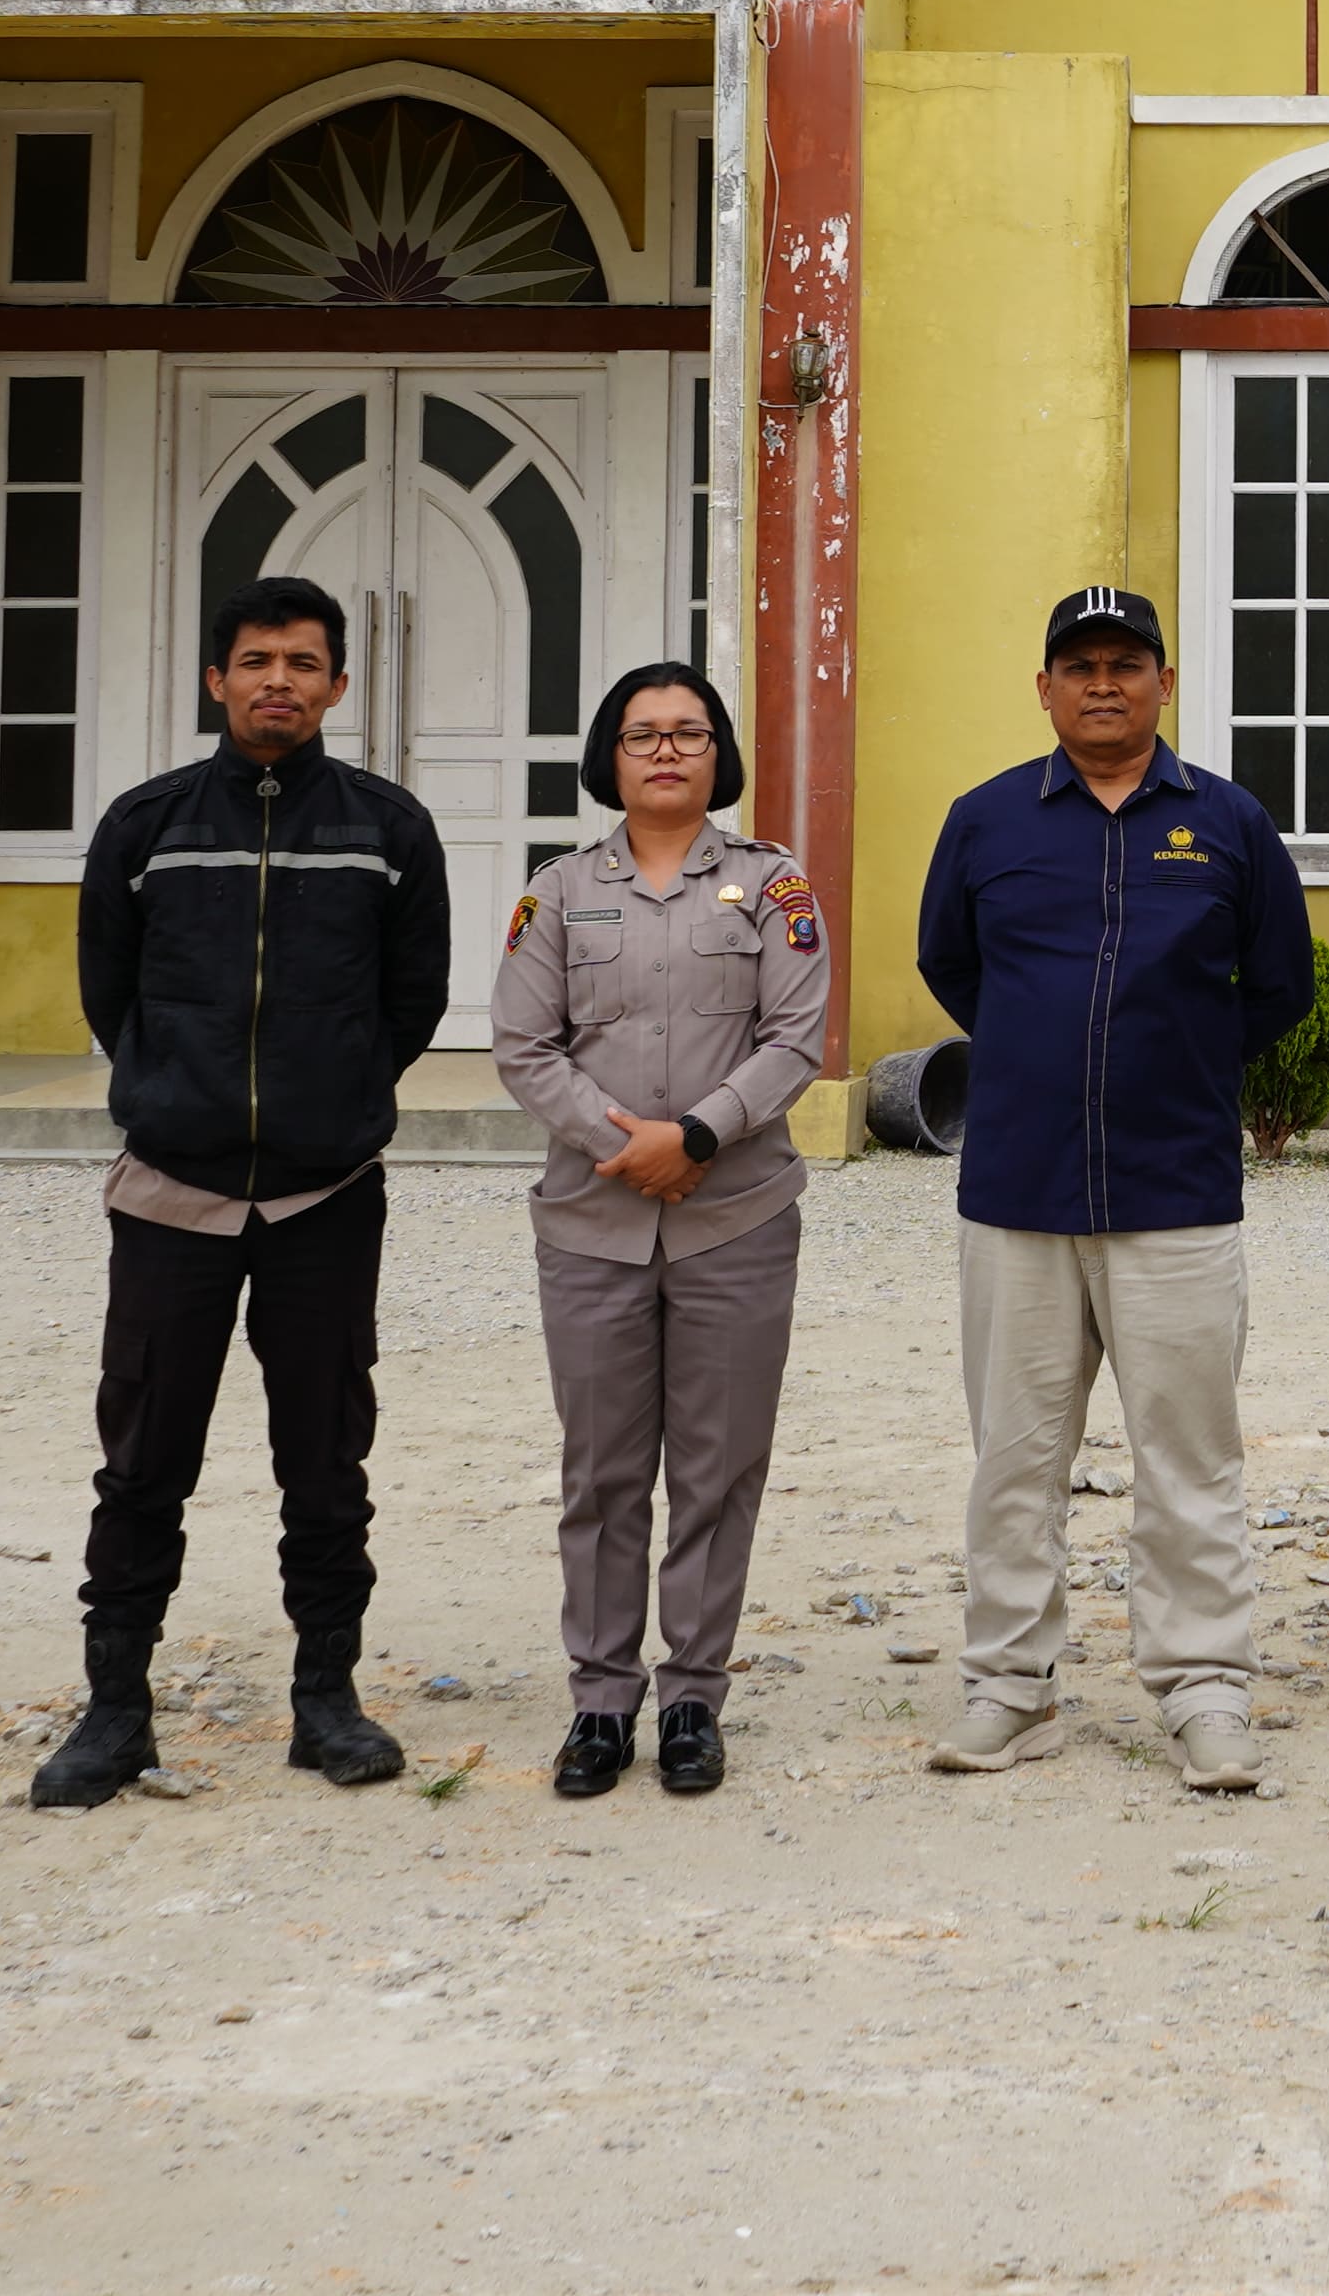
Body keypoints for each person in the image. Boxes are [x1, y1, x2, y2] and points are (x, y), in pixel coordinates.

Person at [32, 574, 457, 1812]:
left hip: (327, 1199)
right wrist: (178, 1093)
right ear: (215, 679)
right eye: (258, 659)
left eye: (306, 661)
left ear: (337, 685)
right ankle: (115, 1711)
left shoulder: (389, 829)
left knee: (325, 1459)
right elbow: (111, 995)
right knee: (142, 1462)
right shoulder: (147, 824)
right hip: (173, 1195)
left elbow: (412, 1001)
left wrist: (336, 1097)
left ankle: (326, 1697)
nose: (281, 679)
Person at [910, 587, 1320, 1791]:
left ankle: (1203, 1690)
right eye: (1078, 664)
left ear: (1163, 683)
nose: (1103, 682)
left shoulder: (1228, 823)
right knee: (1015, 1456)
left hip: (1175, 1191)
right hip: (1019, 1192)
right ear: (1043, 688)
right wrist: (1043, 1053)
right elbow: (951, 962)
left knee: (1189, 1455)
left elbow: (1280, 983)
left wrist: (1175, 1061)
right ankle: (1008, 1684)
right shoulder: (986, 821)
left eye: (1127, 663)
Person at [492, 661, 832, 1802]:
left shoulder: (775, 887)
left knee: (719, 1465)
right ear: (611, 757)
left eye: (690, 732)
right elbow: (523, 1046)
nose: (668, 751)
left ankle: (692, 1694)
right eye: (643, 735)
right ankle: (600, 1701)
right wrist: (621, 1142)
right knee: (601, 1470)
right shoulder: (555, 894)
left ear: (718, 753)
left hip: (734, 1214)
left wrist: (695, 1136)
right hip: (593, 1221)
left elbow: (793, 1041)